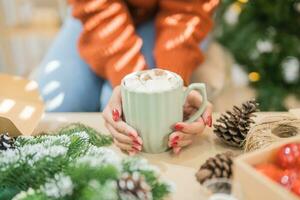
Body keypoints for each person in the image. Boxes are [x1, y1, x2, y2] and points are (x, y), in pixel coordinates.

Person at [36, 0, 218, 154]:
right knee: (50, 114)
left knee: (131, 117)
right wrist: (129, 81)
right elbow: (97, 8)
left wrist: (171, 86)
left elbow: (187, 10)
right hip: (94, 9)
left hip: (180, 13)